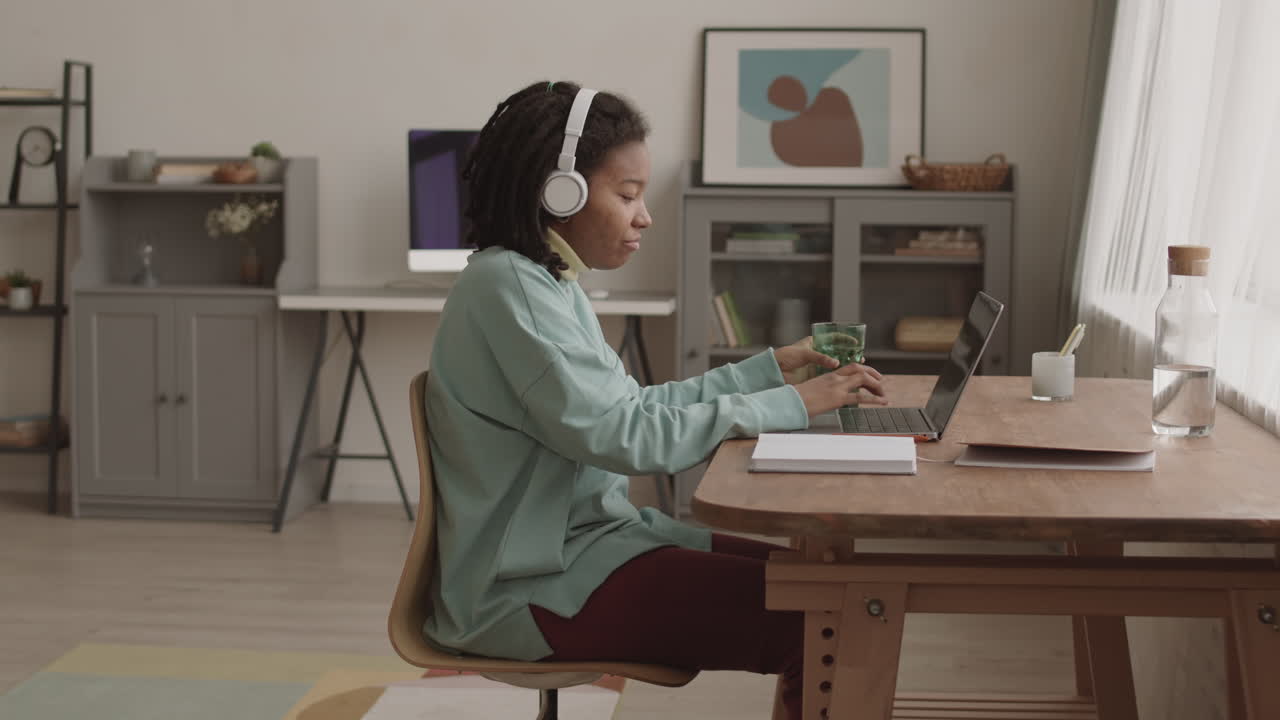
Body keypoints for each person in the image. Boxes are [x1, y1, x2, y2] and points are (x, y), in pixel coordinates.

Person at [424, 80, 888, 720]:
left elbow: (634, 410)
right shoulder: (511, 288)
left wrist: (770, 372)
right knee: (828, 619)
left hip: (585, 550)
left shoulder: (547, 284)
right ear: (561, 191)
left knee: (827, 592)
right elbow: (628, 438)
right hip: (528, 589)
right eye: (628, 195)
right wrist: (796, 406)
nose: (644, 216)